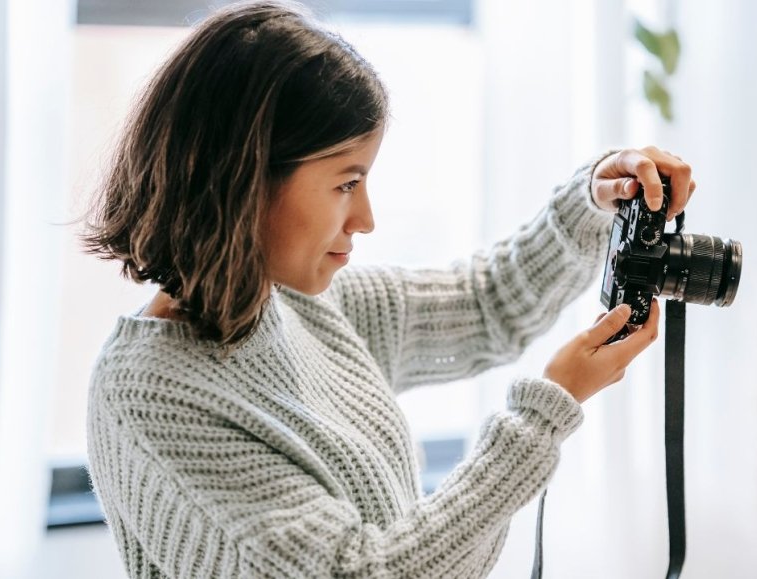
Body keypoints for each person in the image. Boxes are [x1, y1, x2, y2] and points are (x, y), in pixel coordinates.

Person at [81, 1, 696, 577]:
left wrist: (593, 197)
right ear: (244, 179)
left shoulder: (299, 305)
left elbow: (486, 305)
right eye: (346, 184)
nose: (365, 219)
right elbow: (366, 571)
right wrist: (544, 415)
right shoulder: (152, 396)